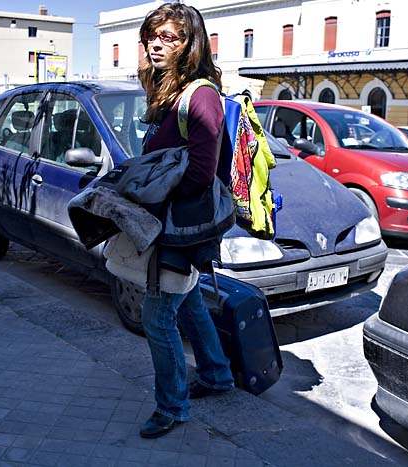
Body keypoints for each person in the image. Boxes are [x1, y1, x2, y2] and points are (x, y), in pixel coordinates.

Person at [136, 2, 234, 439]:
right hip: (176, 223)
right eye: (151, 37)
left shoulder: (202, 96)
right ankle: (216, 374)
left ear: (190, 44)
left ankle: (172, 407)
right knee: (188, 298)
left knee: (157, 317)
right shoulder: (172, 93)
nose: (156, 45)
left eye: (169, 38)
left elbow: (200, 171)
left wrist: (152, 195)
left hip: (181, 225)